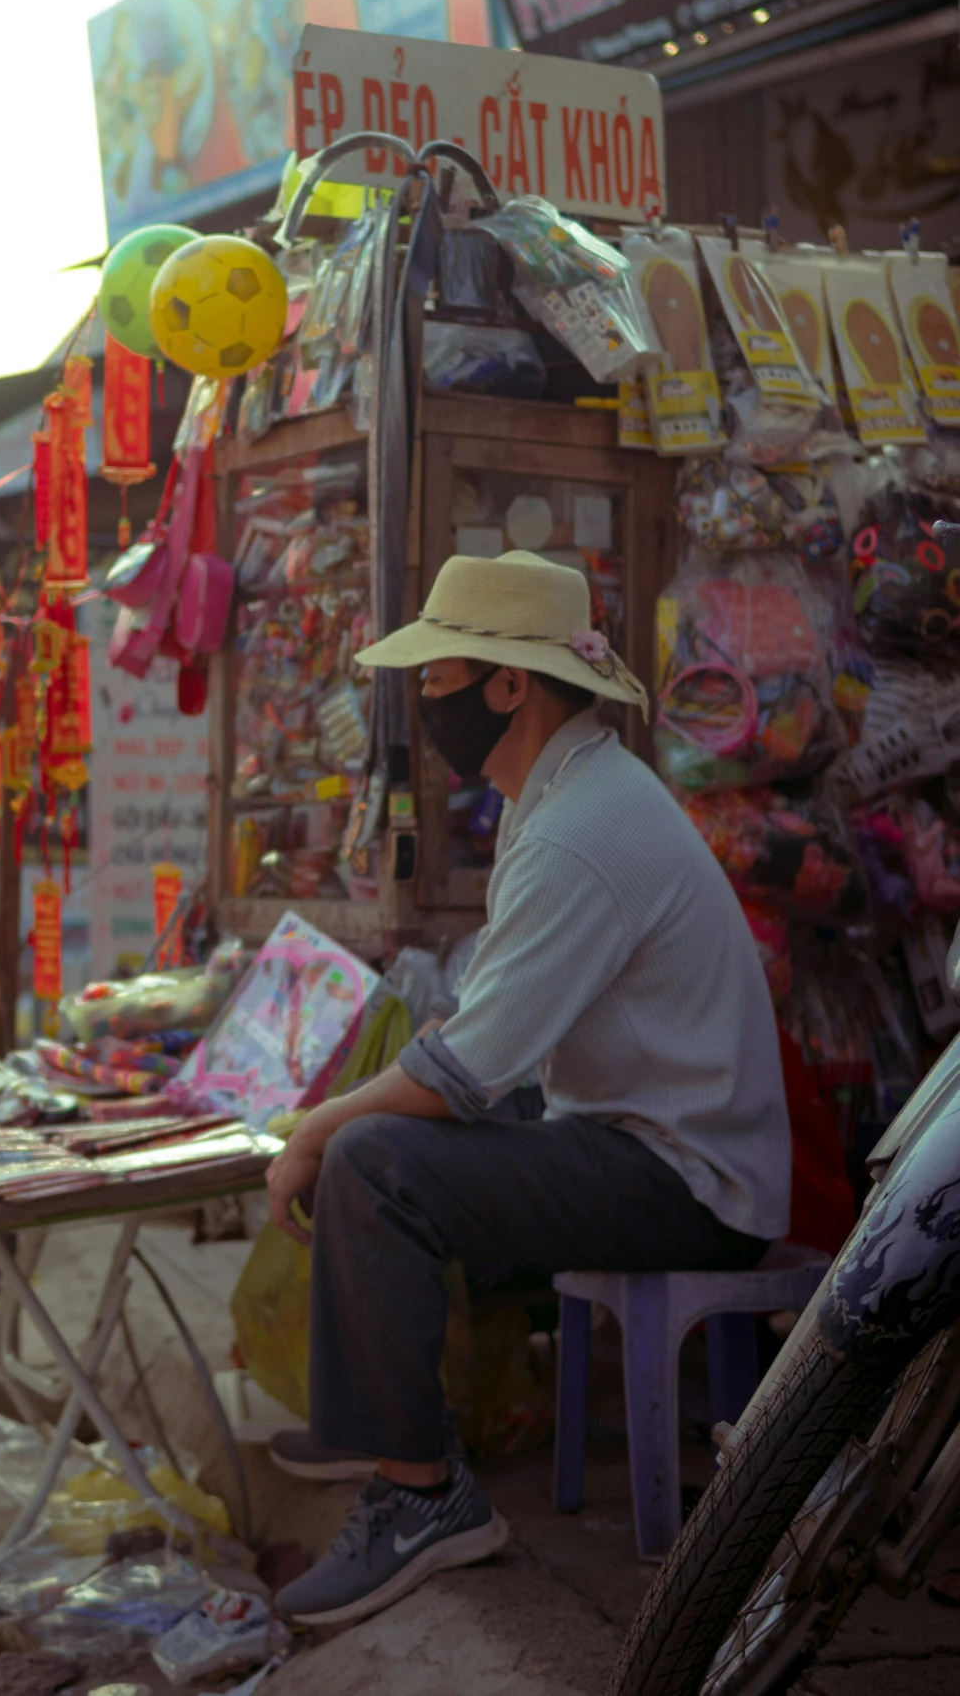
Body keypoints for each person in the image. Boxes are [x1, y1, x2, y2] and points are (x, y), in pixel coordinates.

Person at [267, 550, 791, 1630]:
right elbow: (487, 1047)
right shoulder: (561, 791)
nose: (422, 700)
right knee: (379, 1133)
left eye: (436, 676)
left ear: (509, 685)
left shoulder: (576, 827)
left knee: (372, 1157)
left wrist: (314, 1126)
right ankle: (366, 1420)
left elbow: (463, 1073)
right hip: (630, 1142)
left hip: (687, 1184)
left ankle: (422, 1496)